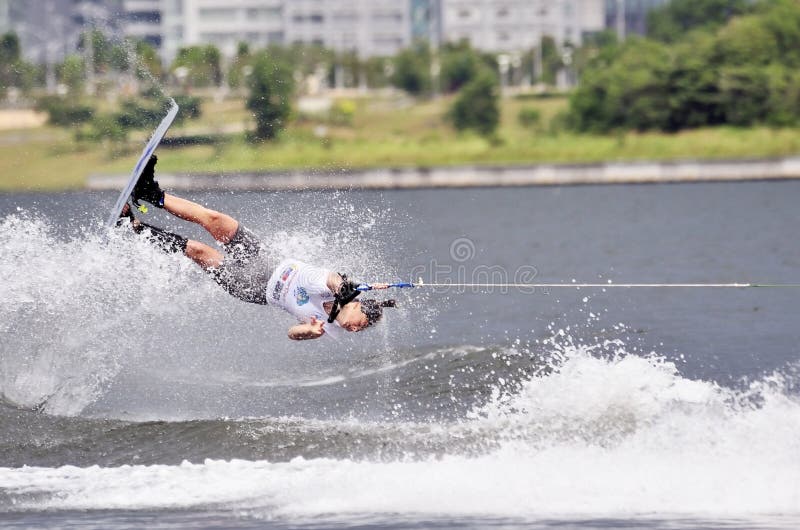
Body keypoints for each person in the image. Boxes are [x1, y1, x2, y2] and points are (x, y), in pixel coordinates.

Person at [119, 155, 395, 340]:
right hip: (262, 256)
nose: (358, 328)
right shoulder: (336, 287)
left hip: (251, 287)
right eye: (363, 320)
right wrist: (345, 287)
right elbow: (334, 280)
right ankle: (150, 194)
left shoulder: (325, 326)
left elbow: (292, 333)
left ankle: (134, 228)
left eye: (362, 329)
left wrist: (306, 332)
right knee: (215, 220)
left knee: (198, 251)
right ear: (357, 304)